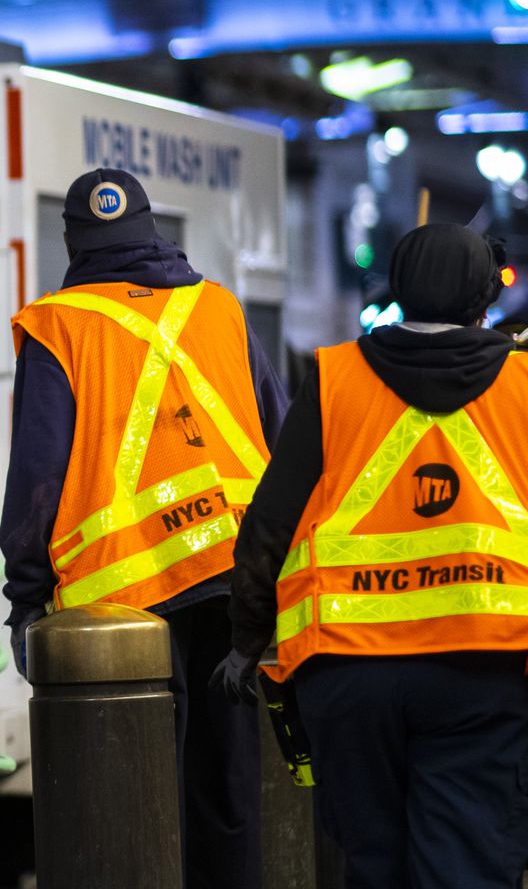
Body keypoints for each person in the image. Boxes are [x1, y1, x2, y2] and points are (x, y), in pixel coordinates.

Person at [0, 167, 286, 889]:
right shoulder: (219, 307)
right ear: (152, 230)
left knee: (138, 796)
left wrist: (27, 596)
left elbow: (38, 473)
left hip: (122, 602)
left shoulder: (57, 325)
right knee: (227, 793)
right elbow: (281, 436)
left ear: (73, 240)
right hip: (235, 581)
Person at [219, 223, 528, 889]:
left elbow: (270, 524)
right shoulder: (522, 384)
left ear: (401, 287)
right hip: (483, 664)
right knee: (466, 863)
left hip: (348, 669)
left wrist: (248, 640)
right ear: (484, 297)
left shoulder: (335, 379)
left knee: (371, 863)